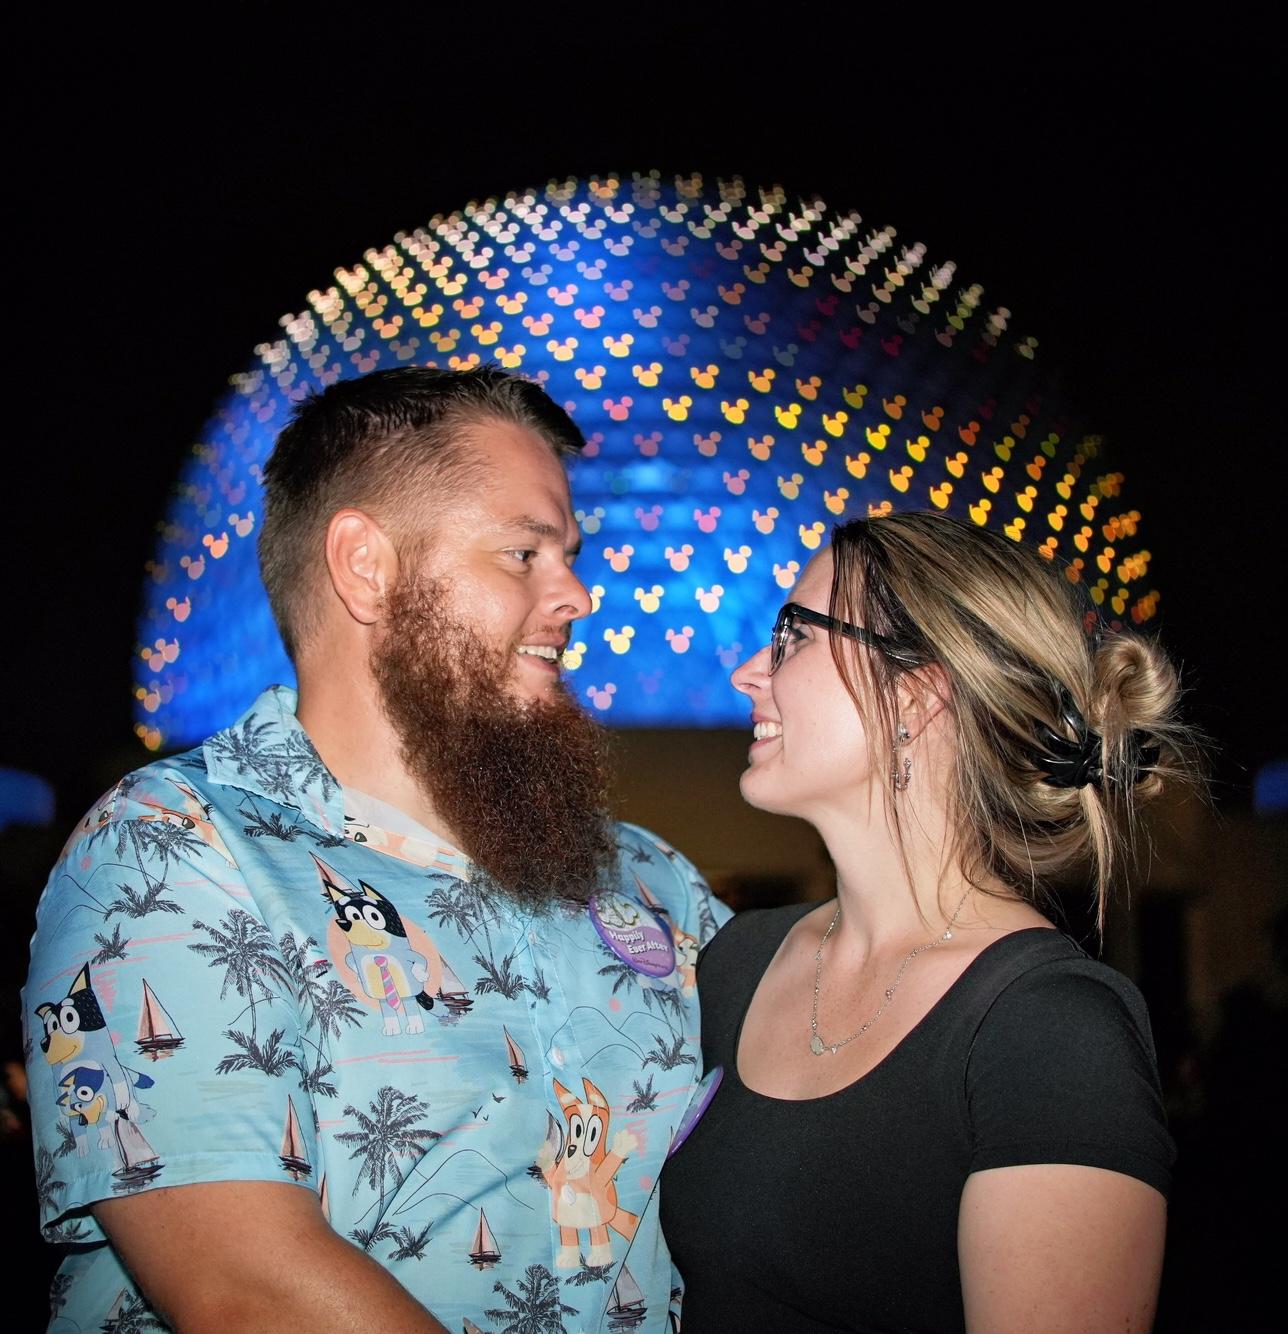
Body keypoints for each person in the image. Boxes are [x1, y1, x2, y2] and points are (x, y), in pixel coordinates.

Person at [25, 366, 726, 1333]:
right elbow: (248, 1293)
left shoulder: (653, 880)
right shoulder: (171, 850)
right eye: (524, 553)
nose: (577, 593)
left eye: (567, 556)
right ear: (366, 566)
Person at [659, 512, 1192, 1333]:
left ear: (918, 694)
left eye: (794, 636)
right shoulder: (740, 961)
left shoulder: (1049, 1030)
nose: (745, 672)